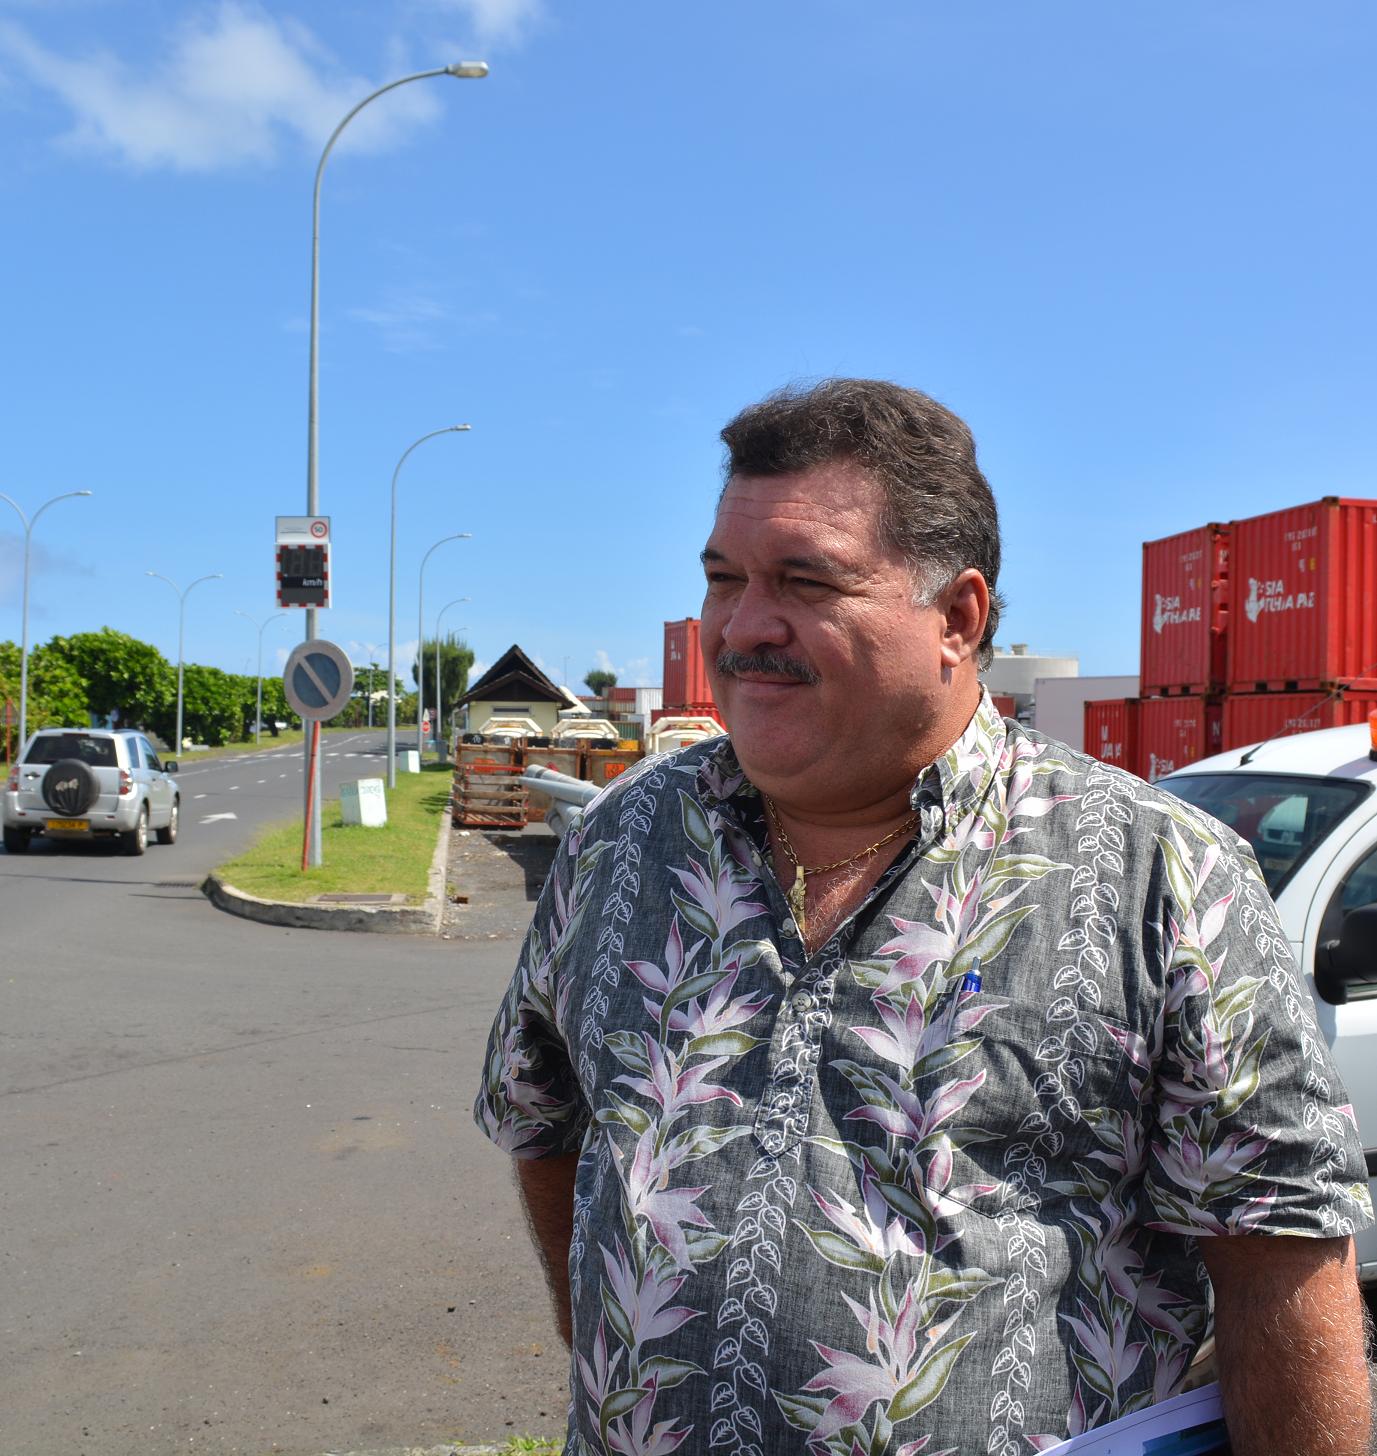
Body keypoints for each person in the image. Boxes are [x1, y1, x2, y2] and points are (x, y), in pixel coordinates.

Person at [474, 378, 1373, 1456]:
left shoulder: (1162, 876)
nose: (743, 625)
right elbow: (546, 1123)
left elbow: (1280, 1268)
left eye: (806, 581)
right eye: (725, 579)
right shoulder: (618, 844)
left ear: (958, 616)